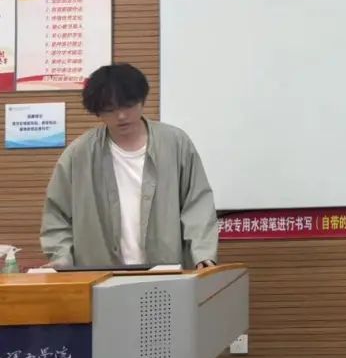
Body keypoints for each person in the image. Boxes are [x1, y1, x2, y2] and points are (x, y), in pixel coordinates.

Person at [40, 63, 218, 270]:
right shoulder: (79, 154)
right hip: (100, 274)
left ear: (142, 100)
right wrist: (62, 258)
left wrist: (202, 254)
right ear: (97, 111)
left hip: (167, 271)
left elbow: (197, 204)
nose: (121, 116)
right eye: (110, 109)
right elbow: (57, 215)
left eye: (128, 105)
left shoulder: (175, 143)